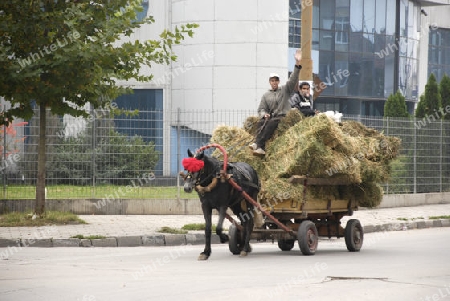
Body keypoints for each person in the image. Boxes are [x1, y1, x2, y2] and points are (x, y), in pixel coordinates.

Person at [249, 49, 303, 156]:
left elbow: (293, 79)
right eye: (272, 80)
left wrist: (297, 63)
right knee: (261, 122)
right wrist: (265, 114)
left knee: (271, 123)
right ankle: (256, 143)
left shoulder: (285, 89)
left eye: (276, 80)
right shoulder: (266, 95)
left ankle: (260, 146)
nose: (274, 82)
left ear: (279, 81)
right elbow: (261, 109)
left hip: (283, 116)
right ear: (270, 82)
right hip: (272, 116)